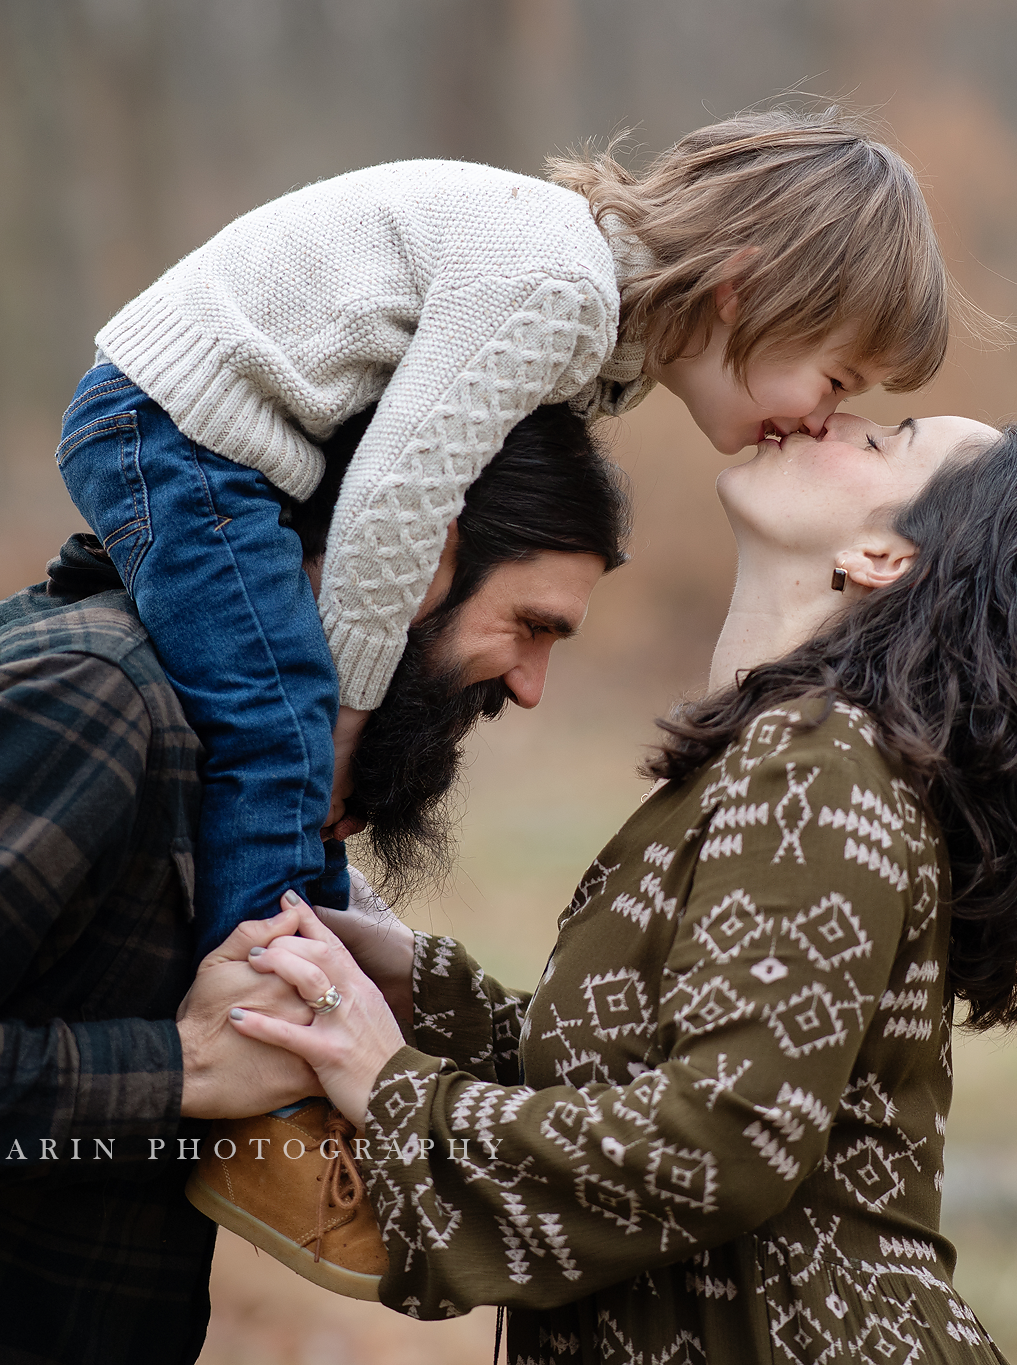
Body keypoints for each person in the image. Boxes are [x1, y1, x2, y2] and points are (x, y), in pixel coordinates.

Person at [0, 408, 629, 1365]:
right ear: (418, 556)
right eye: (529, 627)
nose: (531, 686)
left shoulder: (252, 773)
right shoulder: (96, 698)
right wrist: (176, 1071)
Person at [223, 413, 1017, 1362]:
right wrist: (421, 989)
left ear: (883, 555)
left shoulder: (818, 760)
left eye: (883, 442)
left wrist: (391, 1087)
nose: (835, 418)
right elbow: (650, 1073)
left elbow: (722, 1139)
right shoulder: (784, 755)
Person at [59, 106, 951, 962]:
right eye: (835, 379)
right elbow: (395, 495)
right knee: (279, 719)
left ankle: (306, 944)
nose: (824, 419)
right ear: (742, 291)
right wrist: (349, 716)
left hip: (223, 444)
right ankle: (253, 1007)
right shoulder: (559, 291)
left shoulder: (604, 339)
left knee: (289, 724)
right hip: (178, 430)